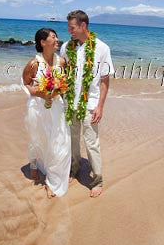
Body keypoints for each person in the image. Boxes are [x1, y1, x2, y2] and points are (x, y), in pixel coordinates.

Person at [60, 10, 114, 198]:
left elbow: (105, 81)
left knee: (91, 143)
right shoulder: (67, 47)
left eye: (72, 27)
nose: (70, 31)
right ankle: (73, 170)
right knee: (72, 140)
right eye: (68, 28)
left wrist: (100, 106)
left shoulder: (102, 48)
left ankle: (97, 180)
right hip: (69, 102)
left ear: (83, 26)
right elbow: (63, 73)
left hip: (90, 103)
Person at [22, 28, 71, 198]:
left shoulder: (62, 62)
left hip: (56, 107)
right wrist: (39, 93)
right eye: (53, 37)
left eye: (56, 37)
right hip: (38, 108)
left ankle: (53, 180)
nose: (57, 40)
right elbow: (26, 83)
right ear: (43, 42)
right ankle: (34, 164)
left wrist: (63, 96)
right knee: (40, 139)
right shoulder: (33, 64)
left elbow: (65, 83)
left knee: (60, 143)